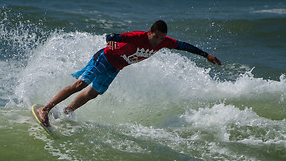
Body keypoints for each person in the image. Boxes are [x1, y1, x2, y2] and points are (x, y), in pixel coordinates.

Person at [37, 20, 222, 126]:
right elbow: (112, 36)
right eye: (156, 37)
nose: (158, 41)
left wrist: (206, 55)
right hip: (104, 59)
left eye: (161, 38)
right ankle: (45, 109)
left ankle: (66, 112)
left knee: (93, 94)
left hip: (116, 67)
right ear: (149, 32)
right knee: (80, 85)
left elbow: (183, 46)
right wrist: (111, 42)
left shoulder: (165, 42)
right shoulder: (138, 36)